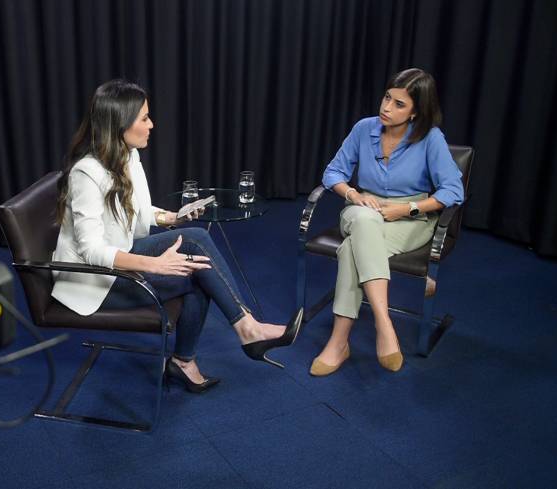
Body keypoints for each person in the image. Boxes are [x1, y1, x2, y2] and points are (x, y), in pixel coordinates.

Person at [52, 79, 302, 393]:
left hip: (120, 256)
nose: (151, 124)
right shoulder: (87, 173)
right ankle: (241, 332)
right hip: (93, 281)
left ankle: (193, 356)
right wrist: (152, 264)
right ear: (120, 123)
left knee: (197, 261)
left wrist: (170, 218)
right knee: (198, 250)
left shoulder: (127, 156)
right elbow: (91, 251)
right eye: (144, 118)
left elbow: (139, 211)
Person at [311, 68, 464, 376]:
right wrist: (353, 195)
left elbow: (453, 190)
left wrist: (406, 209)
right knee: (364, 221)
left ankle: (339, 341)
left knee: (351, 251)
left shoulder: (430, 138)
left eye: (399, 104)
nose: (386, 108)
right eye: (387, 98)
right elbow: (333, 173)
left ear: (415, 112)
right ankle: (384, 323)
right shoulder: (364, 128)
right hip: (360, 209)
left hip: (410, 220)